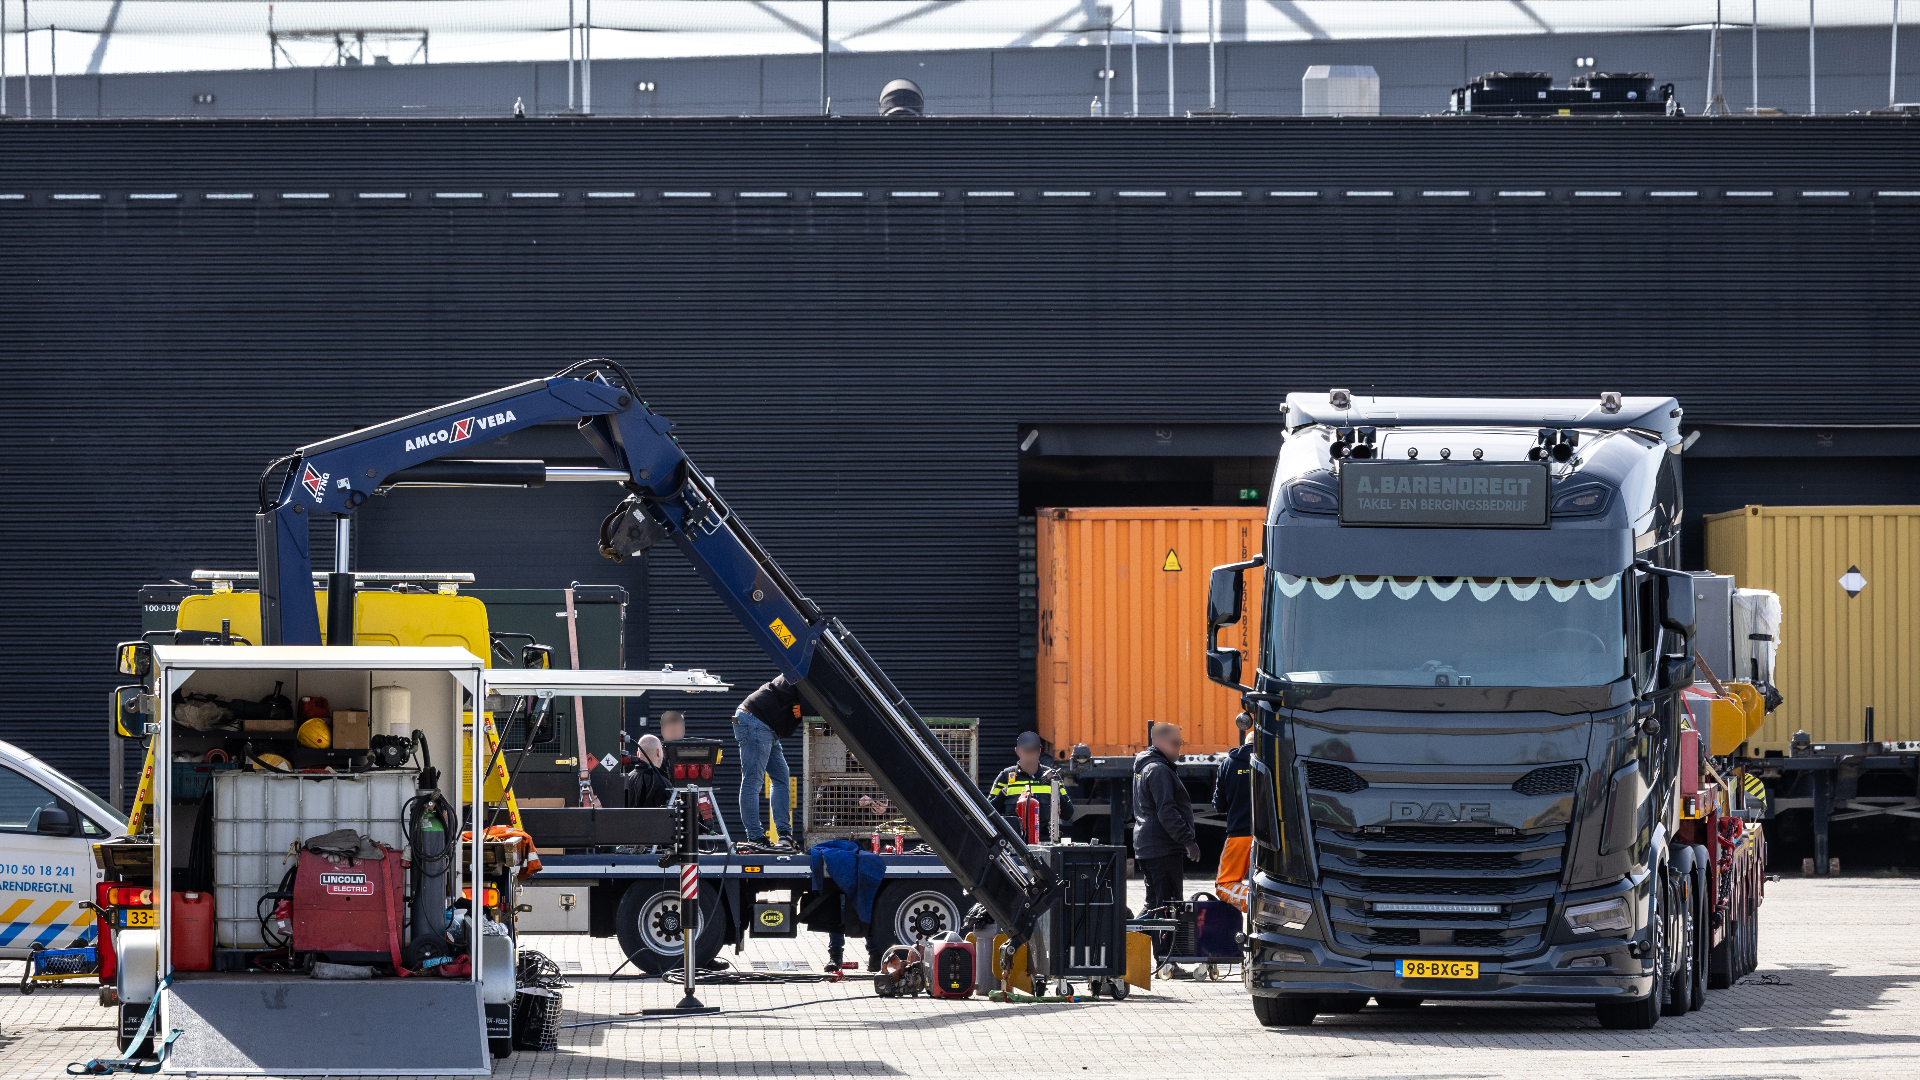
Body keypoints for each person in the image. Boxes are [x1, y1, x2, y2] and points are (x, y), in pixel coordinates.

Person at [1133, 721, 1199, 962]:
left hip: (1150, 846)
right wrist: (1188, 841)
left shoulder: (1147, 766)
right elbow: (1167, 812)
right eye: (1175, 743)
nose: (1179, 748)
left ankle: (1125, 943)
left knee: (1155, 904)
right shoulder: (1158, 770)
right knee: (1166, 907)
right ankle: (1165, 960)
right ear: (1159, 742)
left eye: (1181, 743)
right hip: (1162, 847)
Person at [734, 674, 804, 849]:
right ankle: (755, 837)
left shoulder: (805, 671)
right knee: (753, 780)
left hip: (764, 724)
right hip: (756, 720)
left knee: (781, 777)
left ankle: (784, 835)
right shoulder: (806, 672)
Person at [988, 731, 1074, 840]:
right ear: (1017, 751)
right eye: (1026, 751)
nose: (1030, 755)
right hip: (1013, 844)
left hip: (1044, 844)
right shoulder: (1005, 777)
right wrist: (1002, 795)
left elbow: (1068, 814)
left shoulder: (1052, 777)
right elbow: (988, 812)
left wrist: (1056, 794)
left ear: (1039, 751)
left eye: (1034, 751)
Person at [1213, 711, 1256, 912]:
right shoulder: (1273, 759)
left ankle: (1254, 901)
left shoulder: (1228, 763)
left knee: (1224, 884)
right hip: (1273, 837)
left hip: (1239, 833)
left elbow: (1219, 804)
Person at [623, 734, 673, 809]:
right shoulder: (663, 784)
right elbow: (668, 814)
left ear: (638, 754)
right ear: (658, 752)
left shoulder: (626, 780)